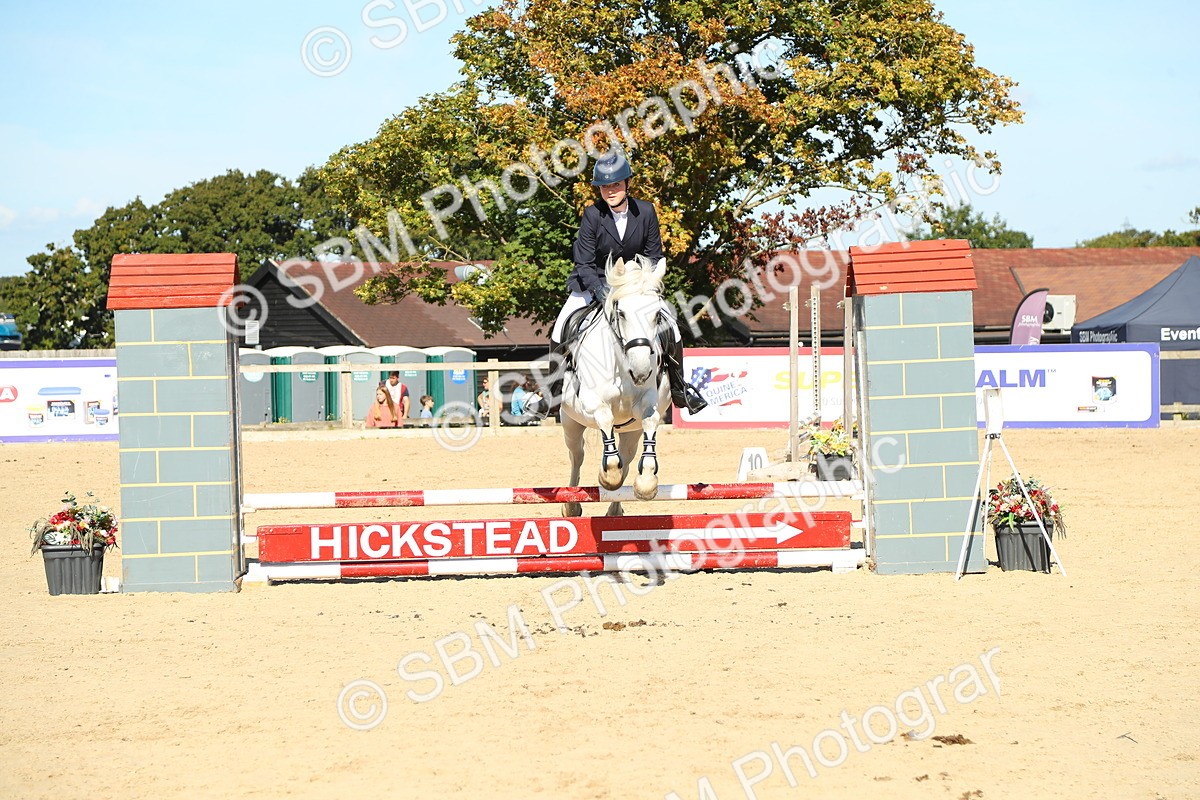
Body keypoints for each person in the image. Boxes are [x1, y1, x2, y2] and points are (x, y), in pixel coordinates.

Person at [547, 149, 707, 414]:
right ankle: (552, 393)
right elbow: (584, 263)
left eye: (616, 185)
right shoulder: (592, 214)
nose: (610, 191)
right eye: (604, 187)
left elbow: (654, 255)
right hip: (595, 283)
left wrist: (645, 283)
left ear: (627, 184)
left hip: (635, 286)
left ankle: (680, 389)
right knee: (561, 326)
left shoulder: (645, 211)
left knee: (672, 327)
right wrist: (600, 291)